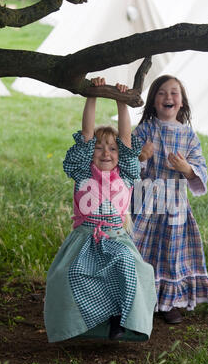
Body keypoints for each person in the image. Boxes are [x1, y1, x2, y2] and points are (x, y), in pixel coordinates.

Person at [44, 78, 156, 342]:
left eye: (112, 148)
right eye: (99, 147)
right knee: (71, 274)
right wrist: (92, 95)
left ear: (120, 154)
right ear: (90, 152)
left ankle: (119, 320)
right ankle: (81, 324)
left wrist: (121, 101)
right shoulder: (83, 171)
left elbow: (127, 138)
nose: (106, 152)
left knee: (126, 266)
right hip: (84, 239)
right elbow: (85, 134)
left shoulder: (126, 174)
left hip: (116, 237)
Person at [132, 75, 208, 324]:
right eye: (161, 93)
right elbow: (129, 164)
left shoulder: (189, 135)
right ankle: (139, 297)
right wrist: (142, 156)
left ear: (182, 102)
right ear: (153, 101)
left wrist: (187, 169)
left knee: (171, 251)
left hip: (174, 205)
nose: (168, 97)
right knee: (140, 248)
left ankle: (168, 302)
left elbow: (200, 168)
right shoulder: (146, 129)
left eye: (174, 93)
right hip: (145, 201)